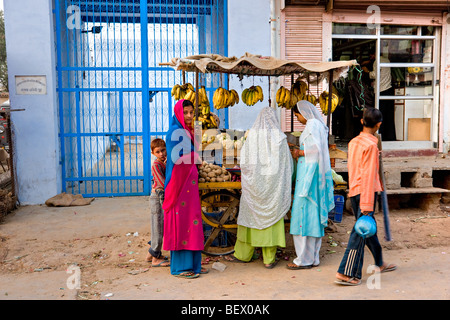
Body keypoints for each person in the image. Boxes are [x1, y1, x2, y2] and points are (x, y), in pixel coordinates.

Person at [335, 107, 397, 286]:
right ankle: (346, 273)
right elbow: (369, 175)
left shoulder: (354, 142)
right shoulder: (371, 145)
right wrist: (367, 205)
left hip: (355, 190)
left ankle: (379, 262)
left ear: (362, 122)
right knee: (360, 232)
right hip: (365, 193)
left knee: (368, 229)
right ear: (379, 125)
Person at [225, 107, 293, 268]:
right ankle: (269, 259)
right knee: (271, 221)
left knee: (250, 219)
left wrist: (253, 179)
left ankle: (244, 254)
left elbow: (245, 164)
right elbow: (287, 165)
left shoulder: (253, 137)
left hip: (254, 189)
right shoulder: (280, 139)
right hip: (274, 191)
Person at [287, 101, 335, 270]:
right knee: (312, 217)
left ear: (303, 112)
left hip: (309, 177)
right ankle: (312, 258)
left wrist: (298, 152)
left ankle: (303, 260)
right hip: (313, 177)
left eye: (297, 115)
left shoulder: (313, 125)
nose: (297, 118)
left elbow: (315, 151)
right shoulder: (318, 125)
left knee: (303, 217)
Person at [162, 99, 206, 279]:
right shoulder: (174, 132)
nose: (188, 116)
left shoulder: (187, 131)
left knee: (193, 221)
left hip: (190, 185)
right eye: (185, 112)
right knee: (181, 224)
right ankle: (181, 268)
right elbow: (177, 158)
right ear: (178, 113)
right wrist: (195, 156)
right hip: (179, 185)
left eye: (191, 112)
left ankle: (195, 265)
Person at [362, 48, 396, 141]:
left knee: (379, 115)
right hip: (389, 89)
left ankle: (381, 137)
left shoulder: (377, 61)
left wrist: (366, 71)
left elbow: (374, 75)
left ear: (374, 54)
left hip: (381, 90)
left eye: (371, 55)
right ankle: (390, 137)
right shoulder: (387, 60)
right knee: (389, 116)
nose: (371, 57)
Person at [146, 138, 170, 267]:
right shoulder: (156, 165)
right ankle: (155, 259)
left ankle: (151, 255)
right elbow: (162, 183)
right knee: (158, 227)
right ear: (153, 153)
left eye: (163, 150)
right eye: (158, 152)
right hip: (157, 196)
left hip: (160, 196)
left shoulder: (164, 162)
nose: (161, 154)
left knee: (159, 226)